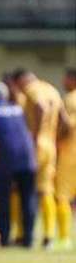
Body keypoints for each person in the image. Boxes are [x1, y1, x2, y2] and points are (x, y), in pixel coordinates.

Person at [9, 68, 63, 249]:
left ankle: (23, 235)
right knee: (46, 190)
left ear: (21, 81)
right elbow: (63, 118)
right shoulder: (52, 89)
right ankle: (49, 235)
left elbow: (40, 106)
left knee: (24, 189)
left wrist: (35, 136)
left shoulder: (33, 89)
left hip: (36, 145)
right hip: (51, 145)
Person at [0, 82, 37, 247]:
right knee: (28, 198)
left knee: (3, 200)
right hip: (29, 158)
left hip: (7, 160)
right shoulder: (17, 108)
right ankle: (29, 239)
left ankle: (4, 238)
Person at [55, 68, 76, 250]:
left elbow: (68, 125)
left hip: (70, 153)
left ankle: (63, 238)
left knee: (62, 195)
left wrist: (58, 139)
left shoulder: (70, 99)